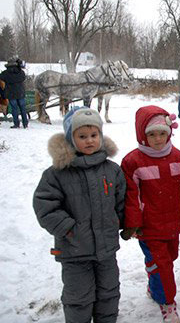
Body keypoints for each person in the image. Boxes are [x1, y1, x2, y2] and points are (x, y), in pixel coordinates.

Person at [33, 106, 126, 323]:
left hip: (106, 250)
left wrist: (120, 223)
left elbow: (122, 201)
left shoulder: (112, 170)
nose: (89, 141)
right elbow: (44, 205)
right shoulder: (57, 173)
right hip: (74, 249)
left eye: (94, 135)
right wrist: (68, 228)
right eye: (82, 136)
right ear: (70, 138)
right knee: (79, 297)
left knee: (109, 292)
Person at [120, 105, 180, 323]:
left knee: (169, 258)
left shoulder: (178, 157)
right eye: (151, 134)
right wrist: (133, 223)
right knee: (162, 265)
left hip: (173, 223)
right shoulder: (133, 162)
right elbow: (131, 195)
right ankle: (168, 304)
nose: (158, 139)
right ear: (142, 134)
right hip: (148, 226)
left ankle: (155, 286)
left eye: (162, 133)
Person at [0, 57, 28, 128]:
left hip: (11, 94)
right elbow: (23, 78)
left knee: (14, 109)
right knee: (23, 109)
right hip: (20, 93)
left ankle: (16, 124)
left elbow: (1, 79)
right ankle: (25, 124)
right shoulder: (21, 72)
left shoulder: (5, 73)